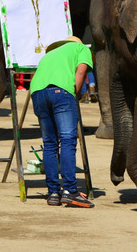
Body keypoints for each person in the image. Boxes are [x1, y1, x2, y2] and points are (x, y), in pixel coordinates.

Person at [30, 36, 95, 207]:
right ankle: (70, 191)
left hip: (37, 93)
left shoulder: (49, 55)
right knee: (67, 140)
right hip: (61, 91)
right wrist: (76, 95)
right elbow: (80, 72)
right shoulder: (82, 49)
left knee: (50, 143)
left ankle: (53, 193)